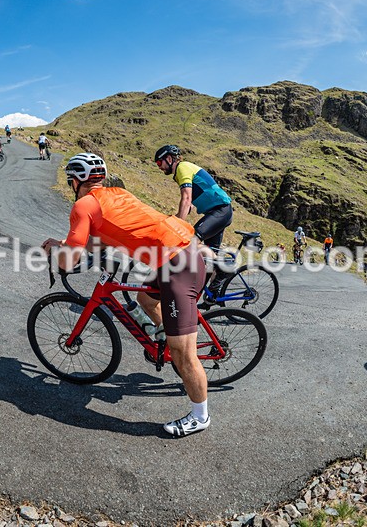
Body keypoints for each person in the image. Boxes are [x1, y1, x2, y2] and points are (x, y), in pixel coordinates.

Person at [42, 153, 210, 437]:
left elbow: (68, 263)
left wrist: (55, 253)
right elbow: (100, 238)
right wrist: (65, 242)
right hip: (180, 251)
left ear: (75, 181)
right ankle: (163, 335)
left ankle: (200, 416)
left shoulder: (83, 205)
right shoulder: (115, 192)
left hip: (180, 266)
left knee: (184, 357)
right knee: (145, 299)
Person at [154, 144, 232, 298]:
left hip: (220, 211)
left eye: (159, 163)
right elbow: (188, 204)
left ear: (169, 159)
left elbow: (186, 198)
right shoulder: (181, 172)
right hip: (216, 212)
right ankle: (213, 294)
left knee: (192, 242)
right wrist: (177, 217)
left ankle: (224, 269)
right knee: (207, 258)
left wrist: (178, 225)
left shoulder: (182, 168)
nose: (159, 167)